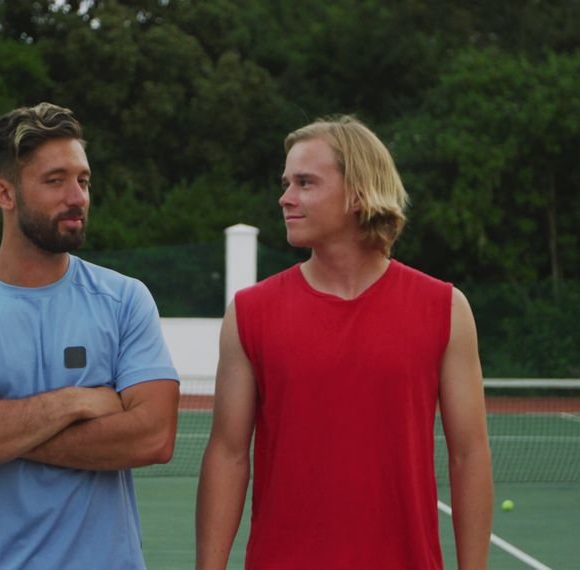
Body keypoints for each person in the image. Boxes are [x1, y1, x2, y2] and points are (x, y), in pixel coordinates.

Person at [196, 115, 493, 569]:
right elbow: (228, 455)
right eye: (286, 182)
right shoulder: (250, 313)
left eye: (305, 183)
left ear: (357, 193)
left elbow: (469, 456)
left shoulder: (446, 309)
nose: (285, 198)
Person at [0, 102, 180, 569]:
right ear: (4, 194)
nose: (78, 196)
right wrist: (73, 403)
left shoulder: (125, 300)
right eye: (55, 181)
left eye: (83, 180)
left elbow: (153, 437)